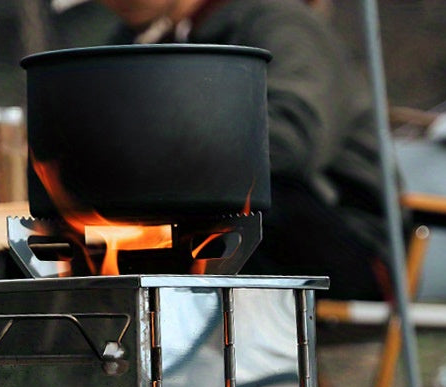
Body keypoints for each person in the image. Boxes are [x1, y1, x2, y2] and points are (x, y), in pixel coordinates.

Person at [96, 0, 393, 302]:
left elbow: (295, 137)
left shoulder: (277, 22)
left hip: (343, 233)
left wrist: (165, 159)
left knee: (239, 196)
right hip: (212, 227)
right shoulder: (126, 47)